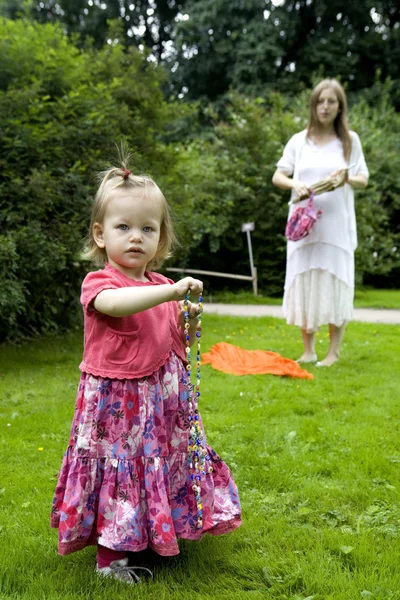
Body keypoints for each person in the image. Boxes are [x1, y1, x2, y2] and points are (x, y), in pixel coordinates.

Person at [50, 160, 242, 583]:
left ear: (161, 238)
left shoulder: (160, 284)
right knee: (120, 469)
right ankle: (110, 556)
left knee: (154, 465)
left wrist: (187, 314)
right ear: (100, 234)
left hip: (159, 409)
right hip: (119, 411)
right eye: (123, 227)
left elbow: (179, 338)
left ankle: (154, 534)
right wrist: (170, 291)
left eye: (148, 229)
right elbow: (116, 306)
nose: (136, 237)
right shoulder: (100, 282)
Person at [272, 78, 369, 367]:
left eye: (332, 101)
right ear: (313, 105)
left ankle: (333, 352)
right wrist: (296, 184)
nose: (325, 107)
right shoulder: (298, 141)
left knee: (335, 280)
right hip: (304, 226)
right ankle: (309, 350)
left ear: (340, 107)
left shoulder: (349, 141)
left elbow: (363, 178)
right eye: (320, 101)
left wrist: (346, 178)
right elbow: (278, 176)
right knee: (305, 280)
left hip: (335, 225)